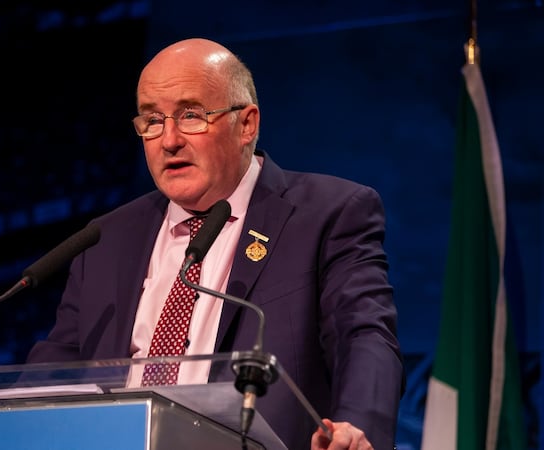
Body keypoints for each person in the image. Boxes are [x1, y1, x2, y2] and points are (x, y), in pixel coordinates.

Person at [26, 37, 404, 450]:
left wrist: (357, 425)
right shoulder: (106, 238)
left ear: (247, 125)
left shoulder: (327, 214)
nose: (168, 140)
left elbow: (364, 336)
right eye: (152, 120)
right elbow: (54, 371)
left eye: (191, 115)